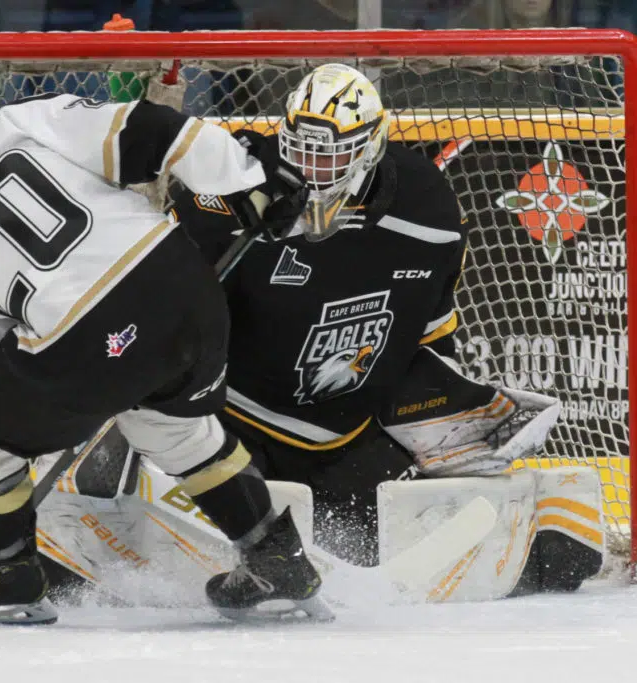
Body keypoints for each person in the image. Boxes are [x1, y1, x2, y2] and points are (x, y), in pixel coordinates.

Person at [0, 86, 330, 624]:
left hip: (89, 338)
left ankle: (6, 574)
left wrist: (89, 390)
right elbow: (151, 129)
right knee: (172, 427)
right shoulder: (21, 120)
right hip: (183, 283)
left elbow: (16, 347)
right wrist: (248, 178)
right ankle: (273, 555)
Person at [171, 63, 605, 598]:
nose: (311, 170)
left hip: (340, 434)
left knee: (545, 564)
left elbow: (431, 332)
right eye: (300, 150)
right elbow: (179, 205)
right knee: (213, 539)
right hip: (230, 421)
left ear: (371, 146)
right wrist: (227, 183)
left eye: (329, 155)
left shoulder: (425, 207)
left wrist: (442, 416)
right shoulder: (239, 183)